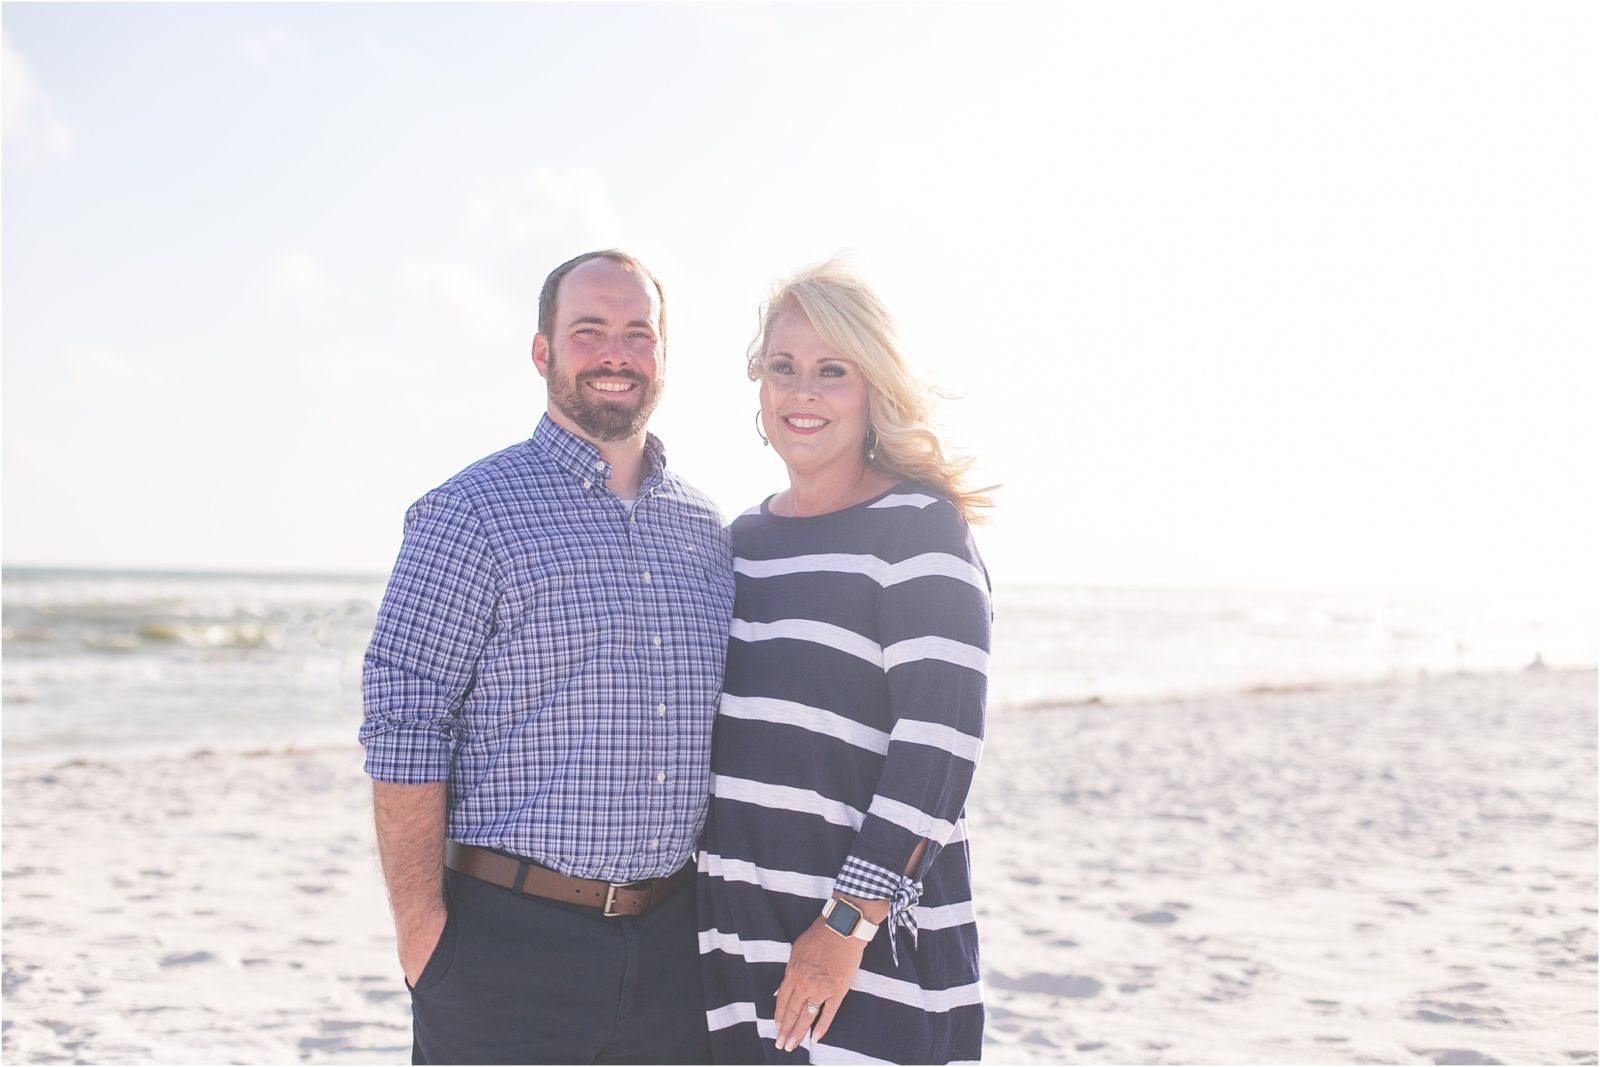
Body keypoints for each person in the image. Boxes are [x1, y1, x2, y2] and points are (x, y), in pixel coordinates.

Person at [360, 249, 735, 1065]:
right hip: (505, 946)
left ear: (663, 356)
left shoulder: (708, 533)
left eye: (639, 333)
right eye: (589, 330)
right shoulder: (469, 513)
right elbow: (403, 721)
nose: (615, 352)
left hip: (674, 944)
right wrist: (422, 932)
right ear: (543, 352)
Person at [697, 259, 993, 1064]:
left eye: (833, 372)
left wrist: (843, 926)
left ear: (875, 390)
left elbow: (938, 749)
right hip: (737, 953)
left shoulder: (918, 529)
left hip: (868, 959)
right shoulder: (739, 546)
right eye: (783, 368)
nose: (803, 393)